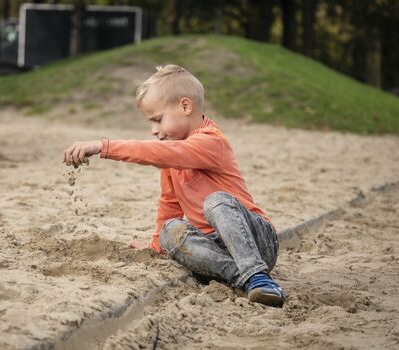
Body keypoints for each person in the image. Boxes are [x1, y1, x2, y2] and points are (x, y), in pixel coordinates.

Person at [63, 65, 286, 307]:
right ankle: (243, 278)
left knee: (216, 201)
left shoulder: (211, 141)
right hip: (216, 248)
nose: (154, 131)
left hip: (257, 242)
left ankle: (260, 278)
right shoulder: (172, 157)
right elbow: (169, 204)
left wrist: (102, 147)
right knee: (172, 230)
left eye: (158, 120)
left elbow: (157, 152)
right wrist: (156, 245)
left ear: (185, 107)